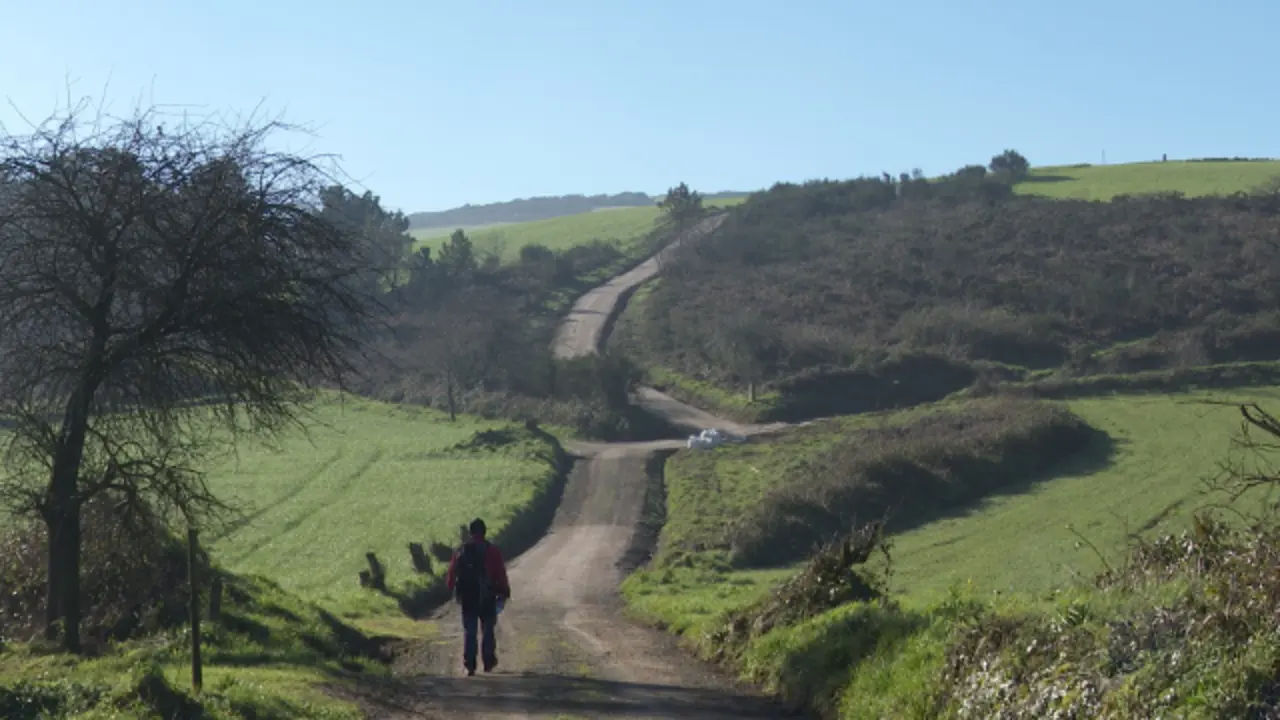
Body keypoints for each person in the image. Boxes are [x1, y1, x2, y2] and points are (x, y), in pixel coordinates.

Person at [446, 517, 511, 675]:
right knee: (487, 629)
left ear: (470, 532)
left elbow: (452, 572)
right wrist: (504, 591)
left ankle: (470, 664)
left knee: (470, 631)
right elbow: (500, 573)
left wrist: (452, 587)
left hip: (468, 597)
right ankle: (488, 661)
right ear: (484, 531)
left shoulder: (461, 551)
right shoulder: (492, 551)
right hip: (487, 596)